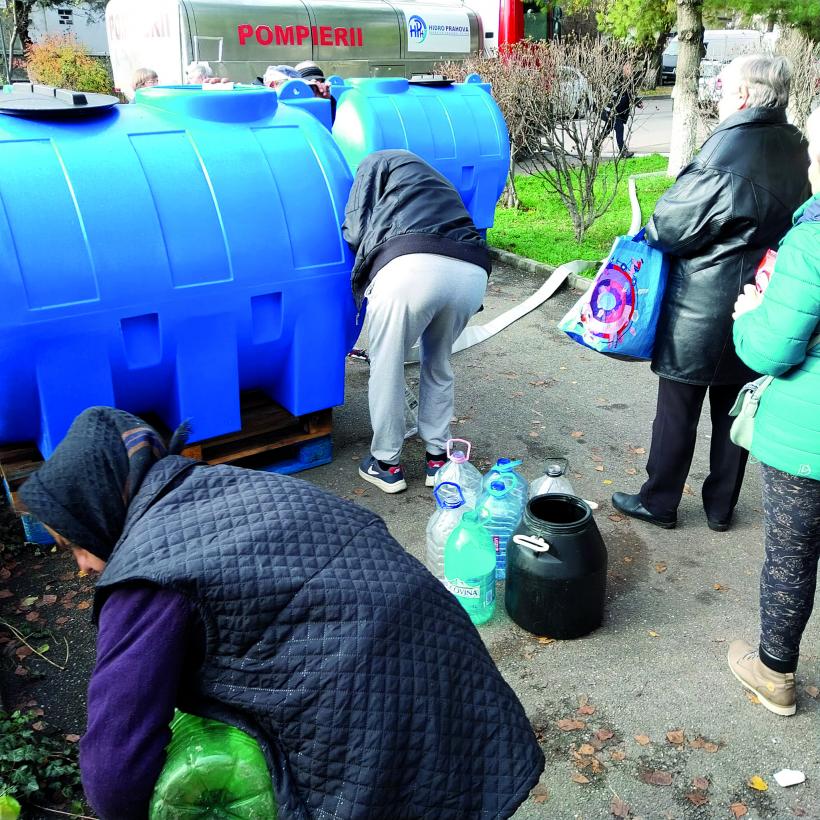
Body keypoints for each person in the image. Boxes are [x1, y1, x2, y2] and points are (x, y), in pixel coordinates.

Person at [19, 407, 544, 819]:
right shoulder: (227, 486)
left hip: (369, 705)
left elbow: (114, 775)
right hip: (448, 652)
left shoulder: (145, 578)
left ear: (99, 510)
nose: (84, 566)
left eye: (75, 544)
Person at [612, 54, 810, 531]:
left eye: (723, 89)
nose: (719, 98)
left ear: (743, 96)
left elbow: (669, 227)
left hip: (701, 304)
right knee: (734, 406)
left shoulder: (728, 151)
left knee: (678, 409)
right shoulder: (797, 145)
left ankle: (659, 501)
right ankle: (721, 507)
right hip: (761, 296)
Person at [726, 105, 820, 717]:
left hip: (807, 434)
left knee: (790, 554)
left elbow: (774, 346)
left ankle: (774, 674)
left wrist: (748, 316)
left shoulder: (816, 238)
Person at [342, 150, 490, 493]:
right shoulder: (437, 179)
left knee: (387, 367)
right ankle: (439, 460)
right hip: (471, 272)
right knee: (438, 364)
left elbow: (355, 230)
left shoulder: (373, 162)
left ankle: (386, 464)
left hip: (410, 270)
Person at [604, 63, 643, 157]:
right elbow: (627, 92)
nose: (630, 70)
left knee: (608, 129)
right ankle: (623, 151)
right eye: (627, 68)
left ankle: (596, 144)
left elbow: (630, 93)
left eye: (630, 68)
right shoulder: (619, 80)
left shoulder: (629, 80)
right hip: (613, 110)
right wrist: (637, 101)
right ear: (623, 69)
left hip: (618, 111)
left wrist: (638, 102)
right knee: (619, 128)